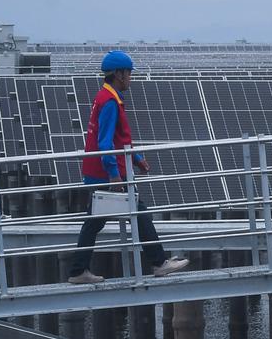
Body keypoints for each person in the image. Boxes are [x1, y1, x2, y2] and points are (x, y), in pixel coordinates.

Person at [66, 50, 190, 283]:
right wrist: (114, 175)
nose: (131, 77)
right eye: (129, 73)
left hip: (98, 172)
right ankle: (159, 263)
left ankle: (77, 271)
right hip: (107, 174)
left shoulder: (105, 97)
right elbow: (105, 143)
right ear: (119, 75)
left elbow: (119, 139)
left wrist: (136, 158)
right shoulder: (110, 102)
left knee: (94, 222)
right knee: (140, 214)